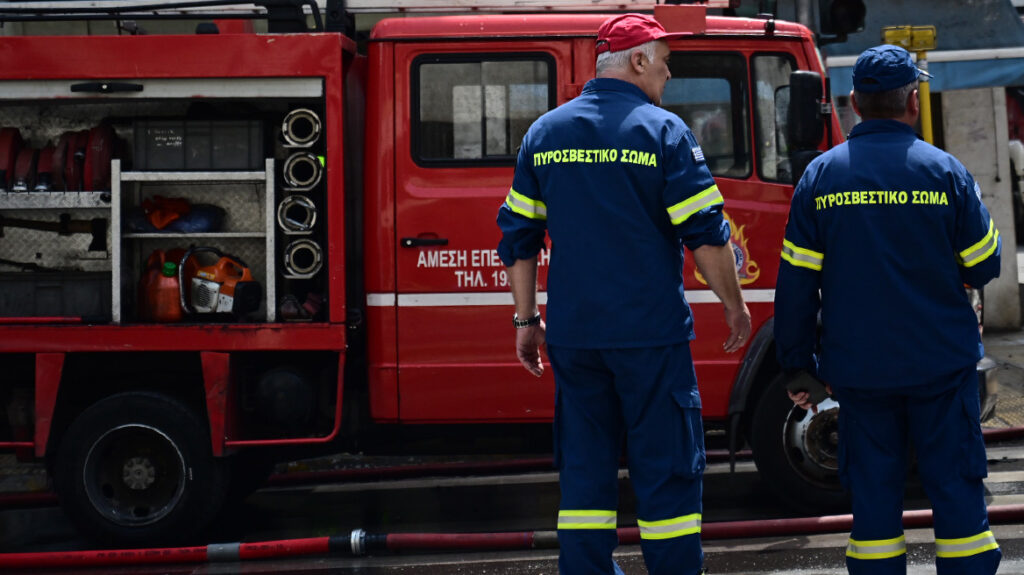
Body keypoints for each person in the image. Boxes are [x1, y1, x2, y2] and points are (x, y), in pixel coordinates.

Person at [496, 13, 751, 575]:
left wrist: (525, 321)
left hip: (576, 339)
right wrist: (734, 305)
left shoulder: (545, 133)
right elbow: (706, 235)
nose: (666, 77)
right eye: (663, 64)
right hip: (650, 338)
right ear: (637, 61)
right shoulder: (663, 132)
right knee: (667, 475)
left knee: (585, 475)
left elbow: (518, 240)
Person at [774, 44, 1002, 575]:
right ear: (912, 103)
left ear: (854, 101)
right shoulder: (945, 172)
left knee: (874, 503)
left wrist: (797, 362)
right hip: (939, 366)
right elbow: (985, 263)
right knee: (957, 494)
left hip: (858, 371)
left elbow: (796, 283)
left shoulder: (821, 179)